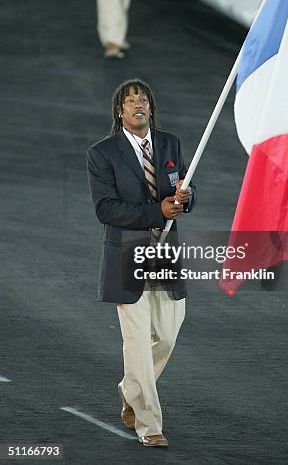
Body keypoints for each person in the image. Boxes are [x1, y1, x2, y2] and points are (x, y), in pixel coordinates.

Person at [87, 79, 196, 447]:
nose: (138, 105)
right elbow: (105, 209)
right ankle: (150, 426)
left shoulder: (170, 144)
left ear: (151, 108)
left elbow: (183, 187)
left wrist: (186, 195)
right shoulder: (102, 153)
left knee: (166, 336)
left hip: (166, 256)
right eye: (130, 100)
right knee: (136, 344)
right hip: (126, 256)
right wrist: (157, 210)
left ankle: (130, 388)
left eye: (144, 99)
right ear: (120, 110)